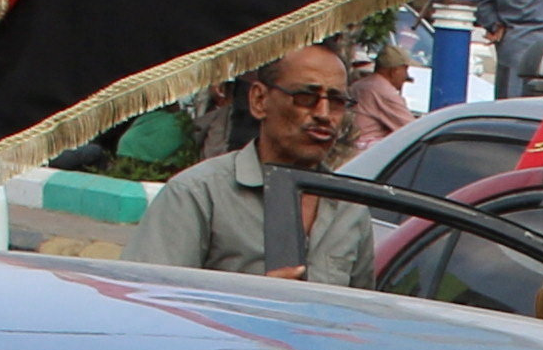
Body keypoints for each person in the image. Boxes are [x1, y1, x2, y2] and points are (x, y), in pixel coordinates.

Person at [126, 43, 366, 280]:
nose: (324, 114)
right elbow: (147, 300)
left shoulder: (349, 210)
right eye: (306, 97)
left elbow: (363, 312)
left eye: (336, 101)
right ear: (259, 100)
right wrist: (253, 301)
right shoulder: (198, 194)